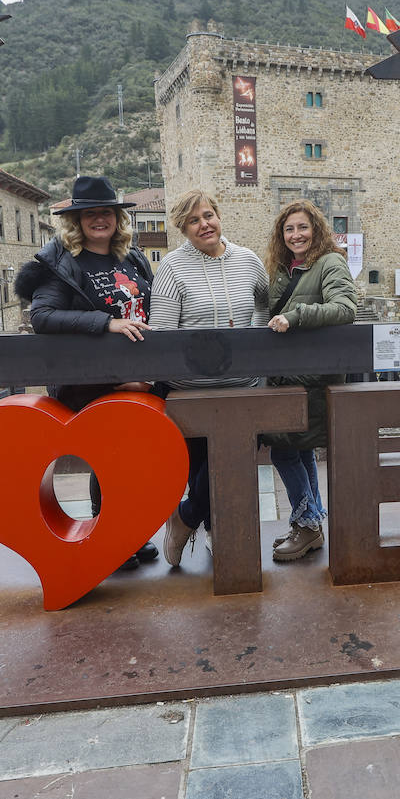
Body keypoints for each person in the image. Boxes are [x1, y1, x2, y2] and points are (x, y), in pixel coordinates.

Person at [14, 175, 158, 568]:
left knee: (133, 460)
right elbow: (42, 316)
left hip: (138, 375)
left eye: (106, 212)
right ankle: (109, 537)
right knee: (108, 457)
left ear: (117, 217)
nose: (99, 220)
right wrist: (104, 323)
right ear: (76, 222)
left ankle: (127, 531)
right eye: (90, 214)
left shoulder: (132, 257)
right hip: (90, 381)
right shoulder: (61, 263)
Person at [151, 191, 269, 565]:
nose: (204, 225)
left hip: (242, 389)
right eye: (193, 221)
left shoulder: (248, 261)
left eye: (208, 215)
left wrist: (257, 348)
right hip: (192, 394)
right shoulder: (171, 268)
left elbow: (264, 305)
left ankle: (185, 518)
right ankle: (209, 527)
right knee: (203, 472)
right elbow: (164, 333)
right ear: (183, 229)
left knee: (230, 471)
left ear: (219, 216)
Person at [261, 200, 358, 561]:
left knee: (284, 449)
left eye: (303, 227)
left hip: (312, 380)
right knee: (298, 450)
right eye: (289, 229)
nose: (296, 234)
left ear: (316, 229)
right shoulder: (284, 268)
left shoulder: (330, 262)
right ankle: (311, 522)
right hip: (288, 377)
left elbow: (346, 309)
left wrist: (296, 316)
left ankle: (307, 525)